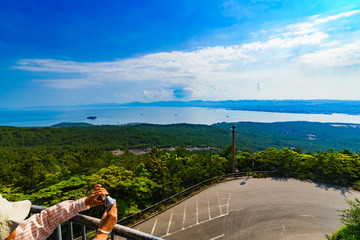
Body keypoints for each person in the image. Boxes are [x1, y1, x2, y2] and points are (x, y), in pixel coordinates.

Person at [1, 184, 117, 240]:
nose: (15, 225)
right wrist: (102, 233)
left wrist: (84, 202)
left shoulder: (16, 235)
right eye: (9, 224)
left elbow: (45, 219)